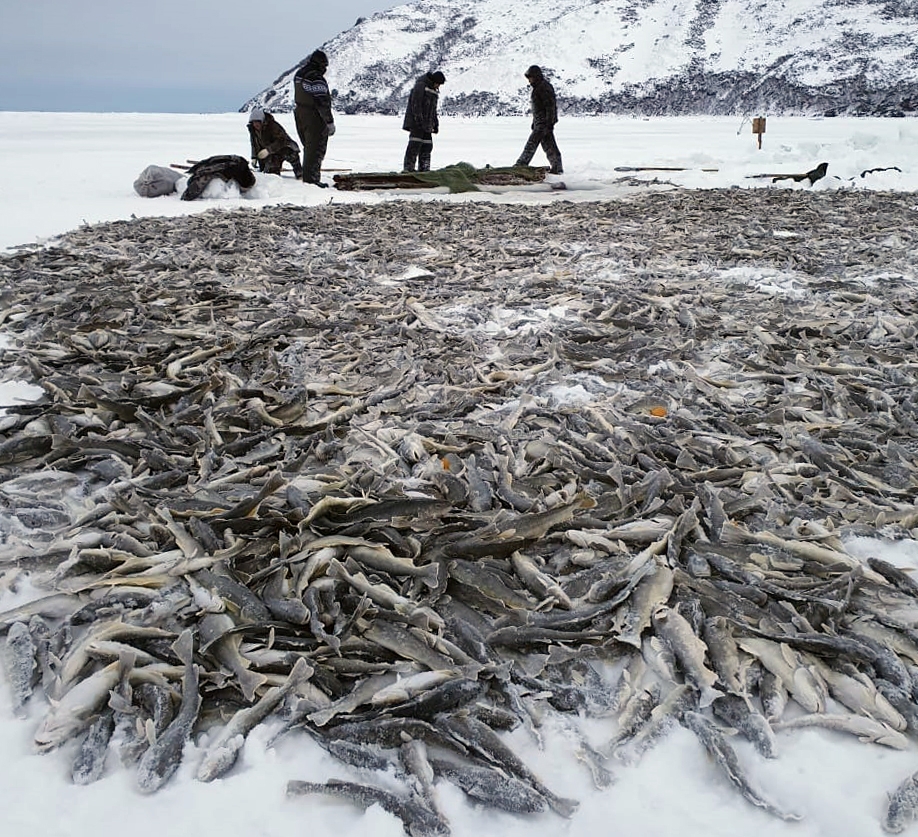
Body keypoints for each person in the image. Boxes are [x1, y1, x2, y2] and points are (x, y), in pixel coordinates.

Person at [293, 49, 336, 187]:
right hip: (314, 116)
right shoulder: (316, 77)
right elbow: (322, 102)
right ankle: (312, 181)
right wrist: (329, 121)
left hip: (300, 114)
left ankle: (308, 178)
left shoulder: (299, 74)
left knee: (308, 147)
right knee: (316, 149)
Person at [514, 64, 563, 175]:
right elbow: (539, 109)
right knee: (550, 146)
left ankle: (521, 165)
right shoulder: (539, 88)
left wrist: (549, 123)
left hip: (543, 124)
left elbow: (550, 107)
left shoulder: (544, 88)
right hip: (540, 123)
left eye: (530, 77)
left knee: (531, 145)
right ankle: (557, 168)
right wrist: (534, 123)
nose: (529, 80)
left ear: (536, 76)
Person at [402, 70, 445, 173]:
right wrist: (419, 120)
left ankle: (424, 169)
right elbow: (415, 104)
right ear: (434, 81)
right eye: (438, 83)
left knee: (427, 145)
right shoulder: (421, 86)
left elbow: (433, 109)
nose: (438, 86)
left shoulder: (433, 91)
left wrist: (435, 123)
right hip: (417, 123)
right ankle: (409, 169)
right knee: (415, 144)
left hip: (427, 124)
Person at [247, 107, 303, 178]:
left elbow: (282, 140)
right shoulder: (253, 130)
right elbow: (254, 144)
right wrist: (254, 157)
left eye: (258, 122)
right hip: (270, 153)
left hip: (286, 148)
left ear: (262, 121)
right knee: (269, 174)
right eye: (254, 122)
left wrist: (268, 150)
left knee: (292, 156)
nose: (256, 125)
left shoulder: (273, 126)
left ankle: (300, 174)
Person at [180, 155, 256, 201]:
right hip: (230, 166)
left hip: (225, 165)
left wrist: (187, 196)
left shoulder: (237, 164)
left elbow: (208, 169)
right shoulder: (236, 165)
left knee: (207, 171)